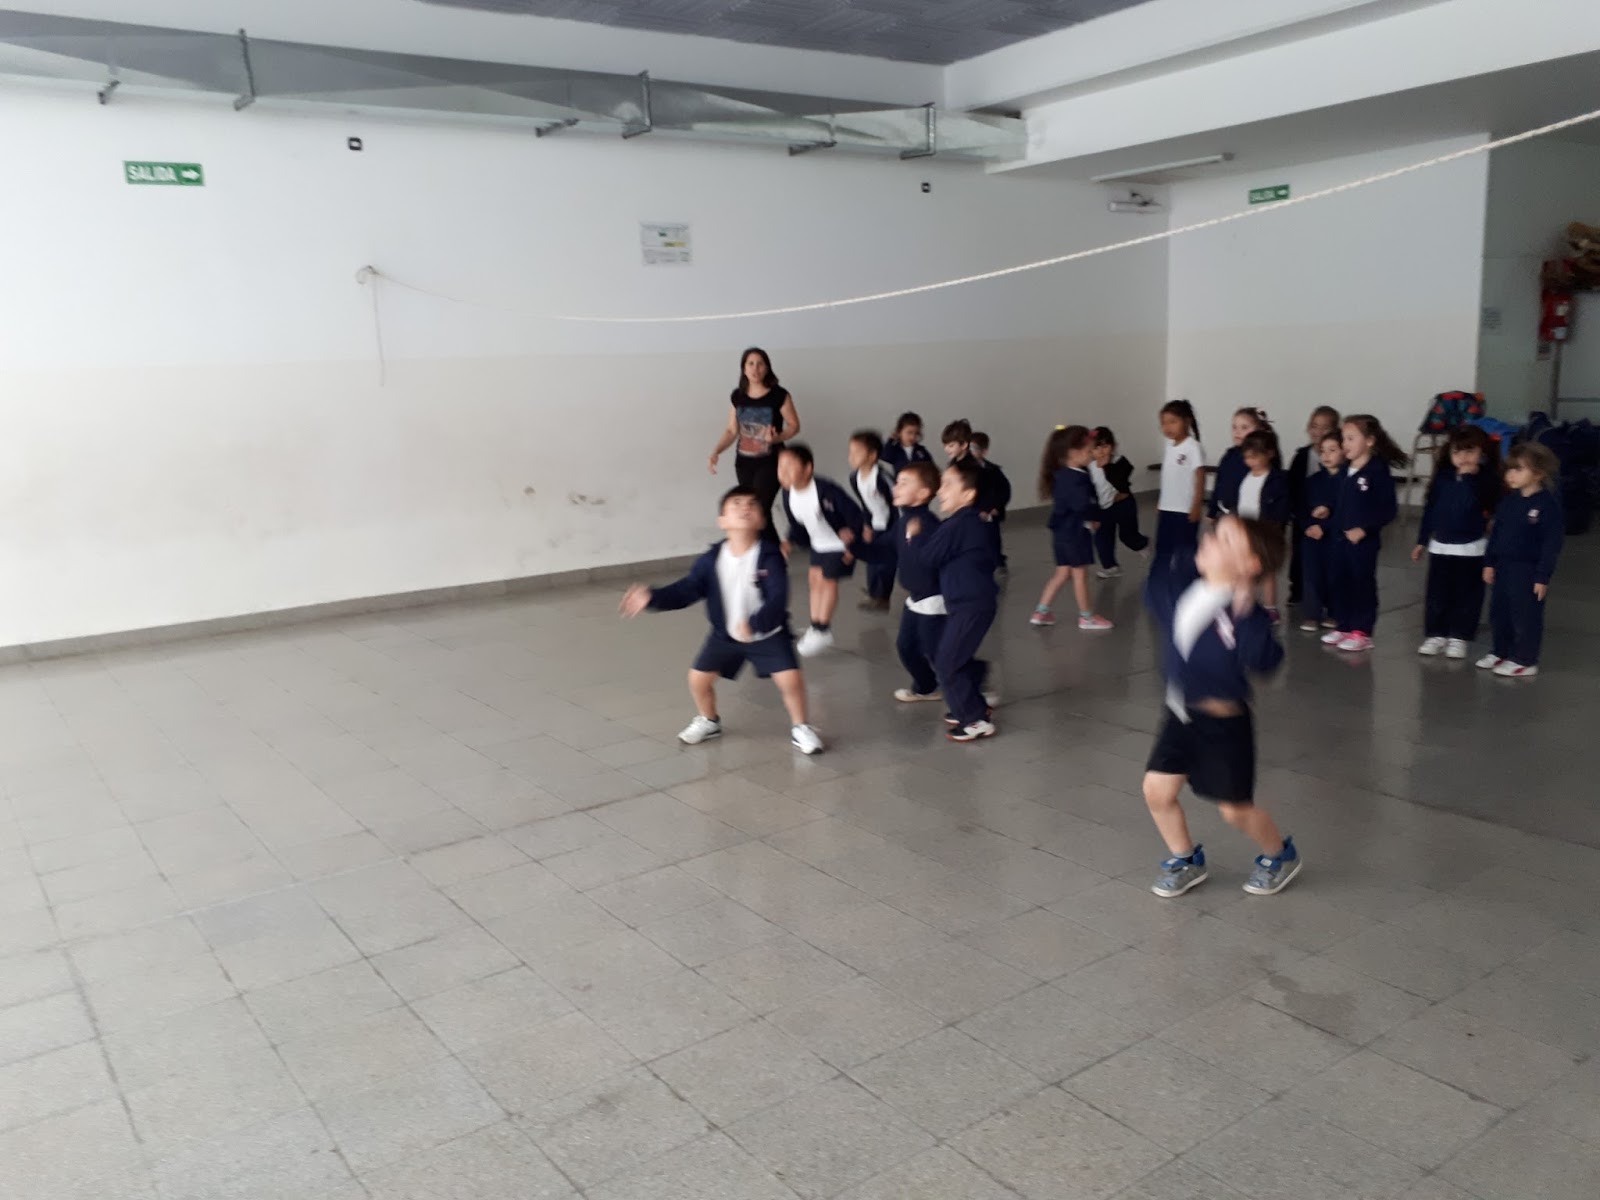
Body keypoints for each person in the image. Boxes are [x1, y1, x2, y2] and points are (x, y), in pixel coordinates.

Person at [1142, 515, 1300, 898]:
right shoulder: (1182, 589)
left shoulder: (1244, 613)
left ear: (1249, 565)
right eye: (1213, 534)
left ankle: (1279, 855)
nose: (1210, 540)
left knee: (1234, 811)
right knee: (1156, 791)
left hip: (1224, 727)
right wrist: (1192, 555)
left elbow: (1266, 661)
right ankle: (1186, 858)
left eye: (1225, 540)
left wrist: (1247, 612)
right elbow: (1156, 581)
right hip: (1180, 715)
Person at [619, 486, 823, 755]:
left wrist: (756, 623)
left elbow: (778, 598)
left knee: (791, 681)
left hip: (769, 634)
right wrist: (652, 597)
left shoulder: (770, 557)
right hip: (724, 636)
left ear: (762, 520)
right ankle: (709, 720)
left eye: (752, 504)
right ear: (722, 521)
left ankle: (801, 727)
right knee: (698, 680)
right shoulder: (710, 560)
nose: (745, 507)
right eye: (736, 503)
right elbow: (686, 590)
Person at [900, 458, 1000, 742]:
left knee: (947, 662)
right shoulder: (967, 522)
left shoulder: (958, 524)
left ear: (968, 494)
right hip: (968, 603)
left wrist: (914, 537)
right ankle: (972, 705)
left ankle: (975, 719)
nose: (940, 491)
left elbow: (928, 558)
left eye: (947, 485)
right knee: (951, 657)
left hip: (970, 605)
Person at [848, 460, 945, 702]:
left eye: (904, 483)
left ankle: (975, 681)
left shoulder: (929, 524)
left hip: (934, 599)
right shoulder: (903, 523)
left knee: (939, 652)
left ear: (923, 493)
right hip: (915, 599)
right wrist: (853, 545)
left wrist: (916, 538)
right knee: (906, 647)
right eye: (897, 482)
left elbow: (938, 560)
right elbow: (882, 552)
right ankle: (926, 687)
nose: (895, 487)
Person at [1412, 425, 1501, 659]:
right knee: (1437, 593)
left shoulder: (1486, 479)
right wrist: (1422, 540)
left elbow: (1491, 503)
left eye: (1470, 451)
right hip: (1441, 546)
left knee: (1467, 595)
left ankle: (1460, 636)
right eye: (1457, 452)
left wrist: (1471, 477)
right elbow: (1430, 509)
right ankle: (1436, 633)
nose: (1463, 457)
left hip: (1471, 548)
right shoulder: (1443, 478)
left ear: (1482, 453)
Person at [1322, 414, 1407, 653]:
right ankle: (1343, 624)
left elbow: (1388, 509)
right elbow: (1337, 501)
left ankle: (1362, 630)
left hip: (1362, 543)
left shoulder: (1377, 471)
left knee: (1361, 583)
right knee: (1339, 581)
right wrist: (1326, 510)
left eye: (1351, 438)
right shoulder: (1344, 470)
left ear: (1369, 441)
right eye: (1344, 438)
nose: (1345, 444)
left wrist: (1365, 528)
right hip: (1339, 539)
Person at [1479, 441, 1564, 679]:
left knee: (1525, 614)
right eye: (1509, 469)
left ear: (1538, 473)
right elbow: (1496, 534)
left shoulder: (1547, 506)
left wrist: (1542, 576)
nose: (1511, 475)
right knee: (1500, 611)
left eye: (1518, 469)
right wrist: (1489, 562)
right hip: (1503, 566)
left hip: (1527, 569)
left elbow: (1551, 544)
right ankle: (1501, 651)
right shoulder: (1509, 501)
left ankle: (1525, 659)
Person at [776, 443, 864, 657]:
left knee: (827, 581)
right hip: (819, 544)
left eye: (790, 466)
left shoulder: (827, 491)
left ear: (808, 468)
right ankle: (816, 626)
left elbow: (855, 515)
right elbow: (797, 525)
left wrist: (854, 545)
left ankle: (822, 629)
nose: (783, 472)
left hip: (839, 545)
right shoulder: (788, 494)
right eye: (780, 467)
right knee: (814, 580)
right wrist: (788, 541)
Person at [707, 347, 800, 541]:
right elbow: (731, 430)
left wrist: (777, 438)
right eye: (750, 364)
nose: (755, 368)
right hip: (744, 463)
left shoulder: (779, 395)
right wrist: (716, 451)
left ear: (767, 368)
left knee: (760, 508)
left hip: (771, 461)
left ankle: (770, 554)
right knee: (756, 512)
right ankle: (768, 552)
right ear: (744, 368)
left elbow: (794, 426)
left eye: (760, 364)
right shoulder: (738, 396)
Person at [1030, 425, 1112, 630]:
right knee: (1079, 574)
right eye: (1089, 450)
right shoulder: (1076, 478)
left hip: (1062, 533)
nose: (1092, 454)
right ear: (1073, 452)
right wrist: (1096, 515)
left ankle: (1041, 611)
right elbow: (1082, 505)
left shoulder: (1063, 474)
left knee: (1062, 572)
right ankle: (1086, 617)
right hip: (1075, 533)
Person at [1287, 406, 1341, 606]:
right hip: (1303, 516)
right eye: (1315, 426)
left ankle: (1326, 596)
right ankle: (1298, 591)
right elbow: (1293, 486)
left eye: (1325, 428)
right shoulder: (1302, 456)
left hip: (1329, 520)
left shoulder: (1340, 462)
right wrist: (1299, 515)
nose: (1318, 432)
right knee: (1299, 553)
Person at [1235, 429, 1290, 622]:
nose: (1250, 461)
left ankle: (1270, 607)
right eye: (1247, 457)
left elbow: (1281, 510)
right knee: (1245, 571)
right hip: (1245, 531)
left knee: (1267, 572)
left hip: (1264, 532)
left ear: (1270, 453)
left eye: (1255, 457)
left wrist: (1273, 531)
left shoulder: (1277, 480)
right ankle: (1246, 605)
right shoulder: (1246, 476)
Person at [942, 420, 1008, 577]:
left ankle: (991, 567)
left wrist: (988, 509)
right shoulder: (954, 464)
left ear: (964, 445)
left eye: (951, 445)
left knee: (984, 543)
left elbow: (987, 490)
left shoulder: (974, 468)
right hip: (964, 514)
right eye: (946, 445)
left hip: (977, 513)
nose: (947, 449)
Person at [1297, 431, 1344, 632]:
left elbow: (1345, 510)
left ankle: (1334, 612)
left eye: (1332, 450)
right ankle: (1311, 613)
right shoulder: (1313, 480)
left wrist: (1324, 524)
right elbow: (1301, 506)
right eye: (1323, 451)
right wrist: (1308, 525)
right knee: (1312, 574)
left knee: (1335, 574)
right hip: (1312, 536)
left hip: (1335, 536)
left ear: (1344, 451)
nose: (1326, 455)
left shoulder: (1347, 480)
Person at [847, 430, 897, 612]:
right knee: (872, 561)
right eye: (850, 451)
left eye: (857, 452)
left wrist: (896, 530)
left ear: (872, 455)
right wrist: (867, 525)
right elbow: (865, 503)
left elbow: (897, 502)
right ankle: (874, 594)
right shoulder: (854, 478)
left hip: (891, 526)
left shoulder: (882, 478)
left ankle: (883, 597)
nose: (851, 456)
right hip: (875, 525)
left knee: (885, 564)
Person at [1089, 427, 1148, 579]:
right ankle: (1110, 567)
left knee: (1127, 535)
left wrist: (1106, 466)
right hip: (1102, 509)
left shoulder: (1120, 461)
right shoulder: (1089, 468)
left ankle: (1143, 544)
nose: (1101, 451)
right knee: (1102, 538)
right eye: (1096, 447)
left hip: (1123, 504)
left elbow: (1120, 483)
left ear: (1113, 446)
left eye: (1105, 446)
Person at [1155, 400, 1206, 570]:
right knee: (1163, 548)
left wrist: (1196, 505)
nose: (1167, 427)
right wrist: (1161, 502)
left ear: (1187, 421)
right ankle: (1159, 578)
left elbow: (1200, 477)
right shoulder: (1169, 447)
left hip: (1185, 510)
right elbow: (1169, 478)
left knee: (1186, 550)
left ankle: (1190, 579)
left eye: (1172, 422)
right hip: (1167, 508)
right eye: (1163, 423)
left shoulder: (1193, 447)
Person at [1208, 408, 1274, 520]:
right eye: (1234, 427)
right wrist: (1212, 511)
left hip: (1249, 518)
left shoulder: (1260, 460)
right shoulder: (1229, 456)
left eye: (1244, 428)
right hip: (1225, 514)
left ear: (1258, 430)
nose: (1237, 432)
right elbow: (1219, 483)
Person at [970, 432, 1013, 576]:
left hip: (991, 512)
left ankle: (998, 562)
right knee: (975, 540)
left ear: (984, 451)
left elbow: (1004, 490)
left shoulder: (993, 470)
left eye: (975, 448)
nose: (971, 452)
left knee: (993, 539)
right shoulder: (966, 471)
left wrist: (997, 507)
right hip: (974, 512)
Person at [881, 411, 934, 476]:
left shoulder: (921, 451)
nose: (912, 437)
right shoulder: (895, 450)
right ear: (899, 432)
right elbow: (885, 456)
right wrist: (891, 441)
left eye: (916, 433)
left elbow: (931, 468)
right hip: (901, 480)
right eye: (909, 432)